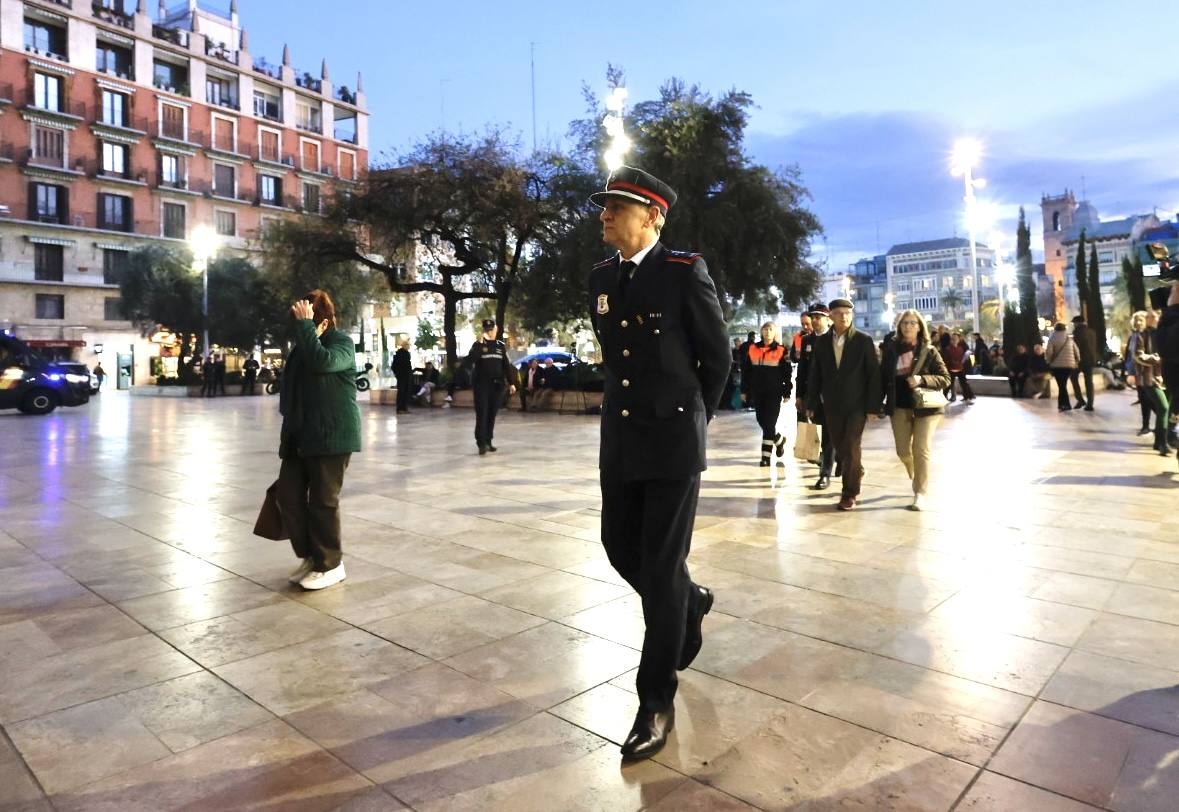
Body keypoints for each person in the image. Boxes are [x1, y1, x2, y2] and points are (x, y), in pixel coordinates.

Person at [588, 165, 730, 761]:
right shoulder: (600, 276)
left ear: (652, 216)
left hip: (671, 441)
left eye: (617, 206)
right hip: (621, 438)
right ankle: (688, 599)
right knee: (619, 547)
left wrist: (693, 419)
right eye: (604, 206)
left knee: (660, 561)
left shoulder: (682, 272)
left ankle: (655, 702)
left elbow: (717, 359)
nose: (605, 214)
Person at [274, 290, 360, 591]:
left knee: (323, 501)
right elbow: (292, 396)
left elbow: (323, 363)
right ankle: (313, 556)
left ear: (319, 316)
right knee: (287, 495)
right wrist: (287, 440)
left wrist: (306, 329)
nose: (299, 324)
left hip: (332, 435)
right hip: (301, 437)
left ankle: (331, 564)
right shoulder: (302, 347)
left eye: (305, 317)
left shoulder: (342, 342)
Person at [806, 298, 881, 511]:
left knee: (851, 445)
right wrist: (811, 401)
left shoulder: (863, 340)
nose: (844, 316)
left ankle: (849, 493)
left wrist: (873, 407)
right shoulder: (822, 343)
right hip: (832, 405)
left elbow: (873, 375)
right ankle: (855, 468)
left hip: (857, 405)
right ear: (831, 316)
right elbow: (815, 375)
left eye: (848, 312)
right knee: (841, 448)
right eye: (838, 313)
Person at [880, 310, 951, 510]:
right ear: (899, 326)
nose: (908, 326)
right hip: (899, 405)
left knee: (921, 449)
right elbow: (882, 378)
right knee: (903, 451)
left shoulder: (929, 351)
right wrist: (876, 404)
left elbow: (946, 378)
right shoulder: (891, 350)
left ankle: (920, 492)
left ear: (919, 327)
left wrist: (922, 379)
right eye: (905, 323)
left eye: (912, 323)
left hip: (926, 408)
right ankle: (910, 465)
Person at [741, 321, 792, 466]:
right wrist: (744, 390)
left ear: (774, 332)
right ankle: (779, 440)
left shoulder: (782, 350)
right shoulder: (752, 349)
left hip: (774, 393)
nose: (767, 332)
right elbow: (746, 371)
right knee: (761, 420)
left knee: (769, 423)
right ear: (761, 331)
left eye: (770, 329)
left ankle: (765, 458)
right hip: (757, 392)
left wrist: (787, 391)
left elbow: (786, 373)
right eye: (765, 329)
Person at [796, 303, 835, 488]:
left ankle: (825, 474)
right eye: (814, 317)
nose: (815, 321)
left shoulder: (835, 338)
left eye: (819, 317)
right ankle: (833, 460)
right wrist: (799, 396)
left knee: (829, 435)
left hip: (832, 395)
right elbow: (802, 370)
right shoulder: (807, 341)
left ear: (828, 319)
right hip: (813, 395)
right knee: (820, 431)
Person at [465, 319, 517, 455]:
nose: (489, 332)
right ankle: (481, 443)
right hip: (482, 386)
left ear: (496, 330)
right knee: (482, 414)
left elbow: (506, 365)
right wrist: (480, 344)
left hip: (497, 385)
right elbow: (470, 360)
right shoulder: (478, 345)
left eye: (491, 329)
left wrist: (511, 383)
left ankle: (488, 440)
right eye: (486, 329)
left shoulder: (500, 346)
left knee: (491, 414)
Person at [1136, 309, 1171, 456]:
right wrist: (1157, 358)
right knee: (1163, 408)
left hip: (1166, 378)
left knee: (1166, 411)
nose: (1152, 318)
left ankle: (1158, 443)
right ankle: (1163, 444)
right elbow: (1138, 356)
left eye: (1155, 316)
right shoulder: (1141, 336)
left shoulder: (1164, 334)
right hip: (1149, 379)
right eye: (1149, 316)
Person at [1045, 322, 1081, 412]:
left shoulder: (1052, 338)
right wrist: (1077, 361)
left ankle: (1065, 405)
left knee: (1061, 385)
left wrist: (1049, 361)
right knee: (1062, 385)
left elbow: (1049, 352)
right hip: (1069, 366)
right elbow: (1077, 351)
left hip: (1057, 366)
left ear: (1055, 329)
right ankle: (1063, 404)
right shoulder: (1069, 339)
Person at [1072, 315, 1097, 411]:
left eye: (1074, 323)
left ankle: (1080, 399)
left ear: (1077, 323)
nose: (1074, 325)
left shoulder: (1077, 332)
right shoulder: (1092, 332)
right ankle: (1090, 404)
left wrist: (1075, 360)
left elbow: (1076, 348)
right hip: (1090, 360)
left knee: (1073, 377)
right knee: (1089, 382)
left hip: (1080, 360)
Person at [943, 332, 975, 402]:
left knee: (964, 384)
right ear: (951, 340)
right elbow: (946, 359)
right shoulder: (948, 349)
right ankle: (943, 397)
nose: (955, 340)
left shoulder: (961, 348)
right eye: (953, 339)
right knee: (948, 385)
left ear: (958, 339)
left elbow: (963, 358)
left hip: (960, 368)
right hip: (951, 369)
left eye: (956, 338)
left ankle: (968, 398)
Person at [392, 340, 413, 414]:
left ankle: (404, 408)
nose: (409, 346)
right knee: (402, 392)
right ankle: (400, 408)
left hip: (405, 375)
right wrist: (398, 374)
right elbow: (396, 366)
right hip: (402, 376)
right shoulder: (401, 354)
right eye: (408, 345)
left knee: (405, 392)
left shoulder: (405, 354)